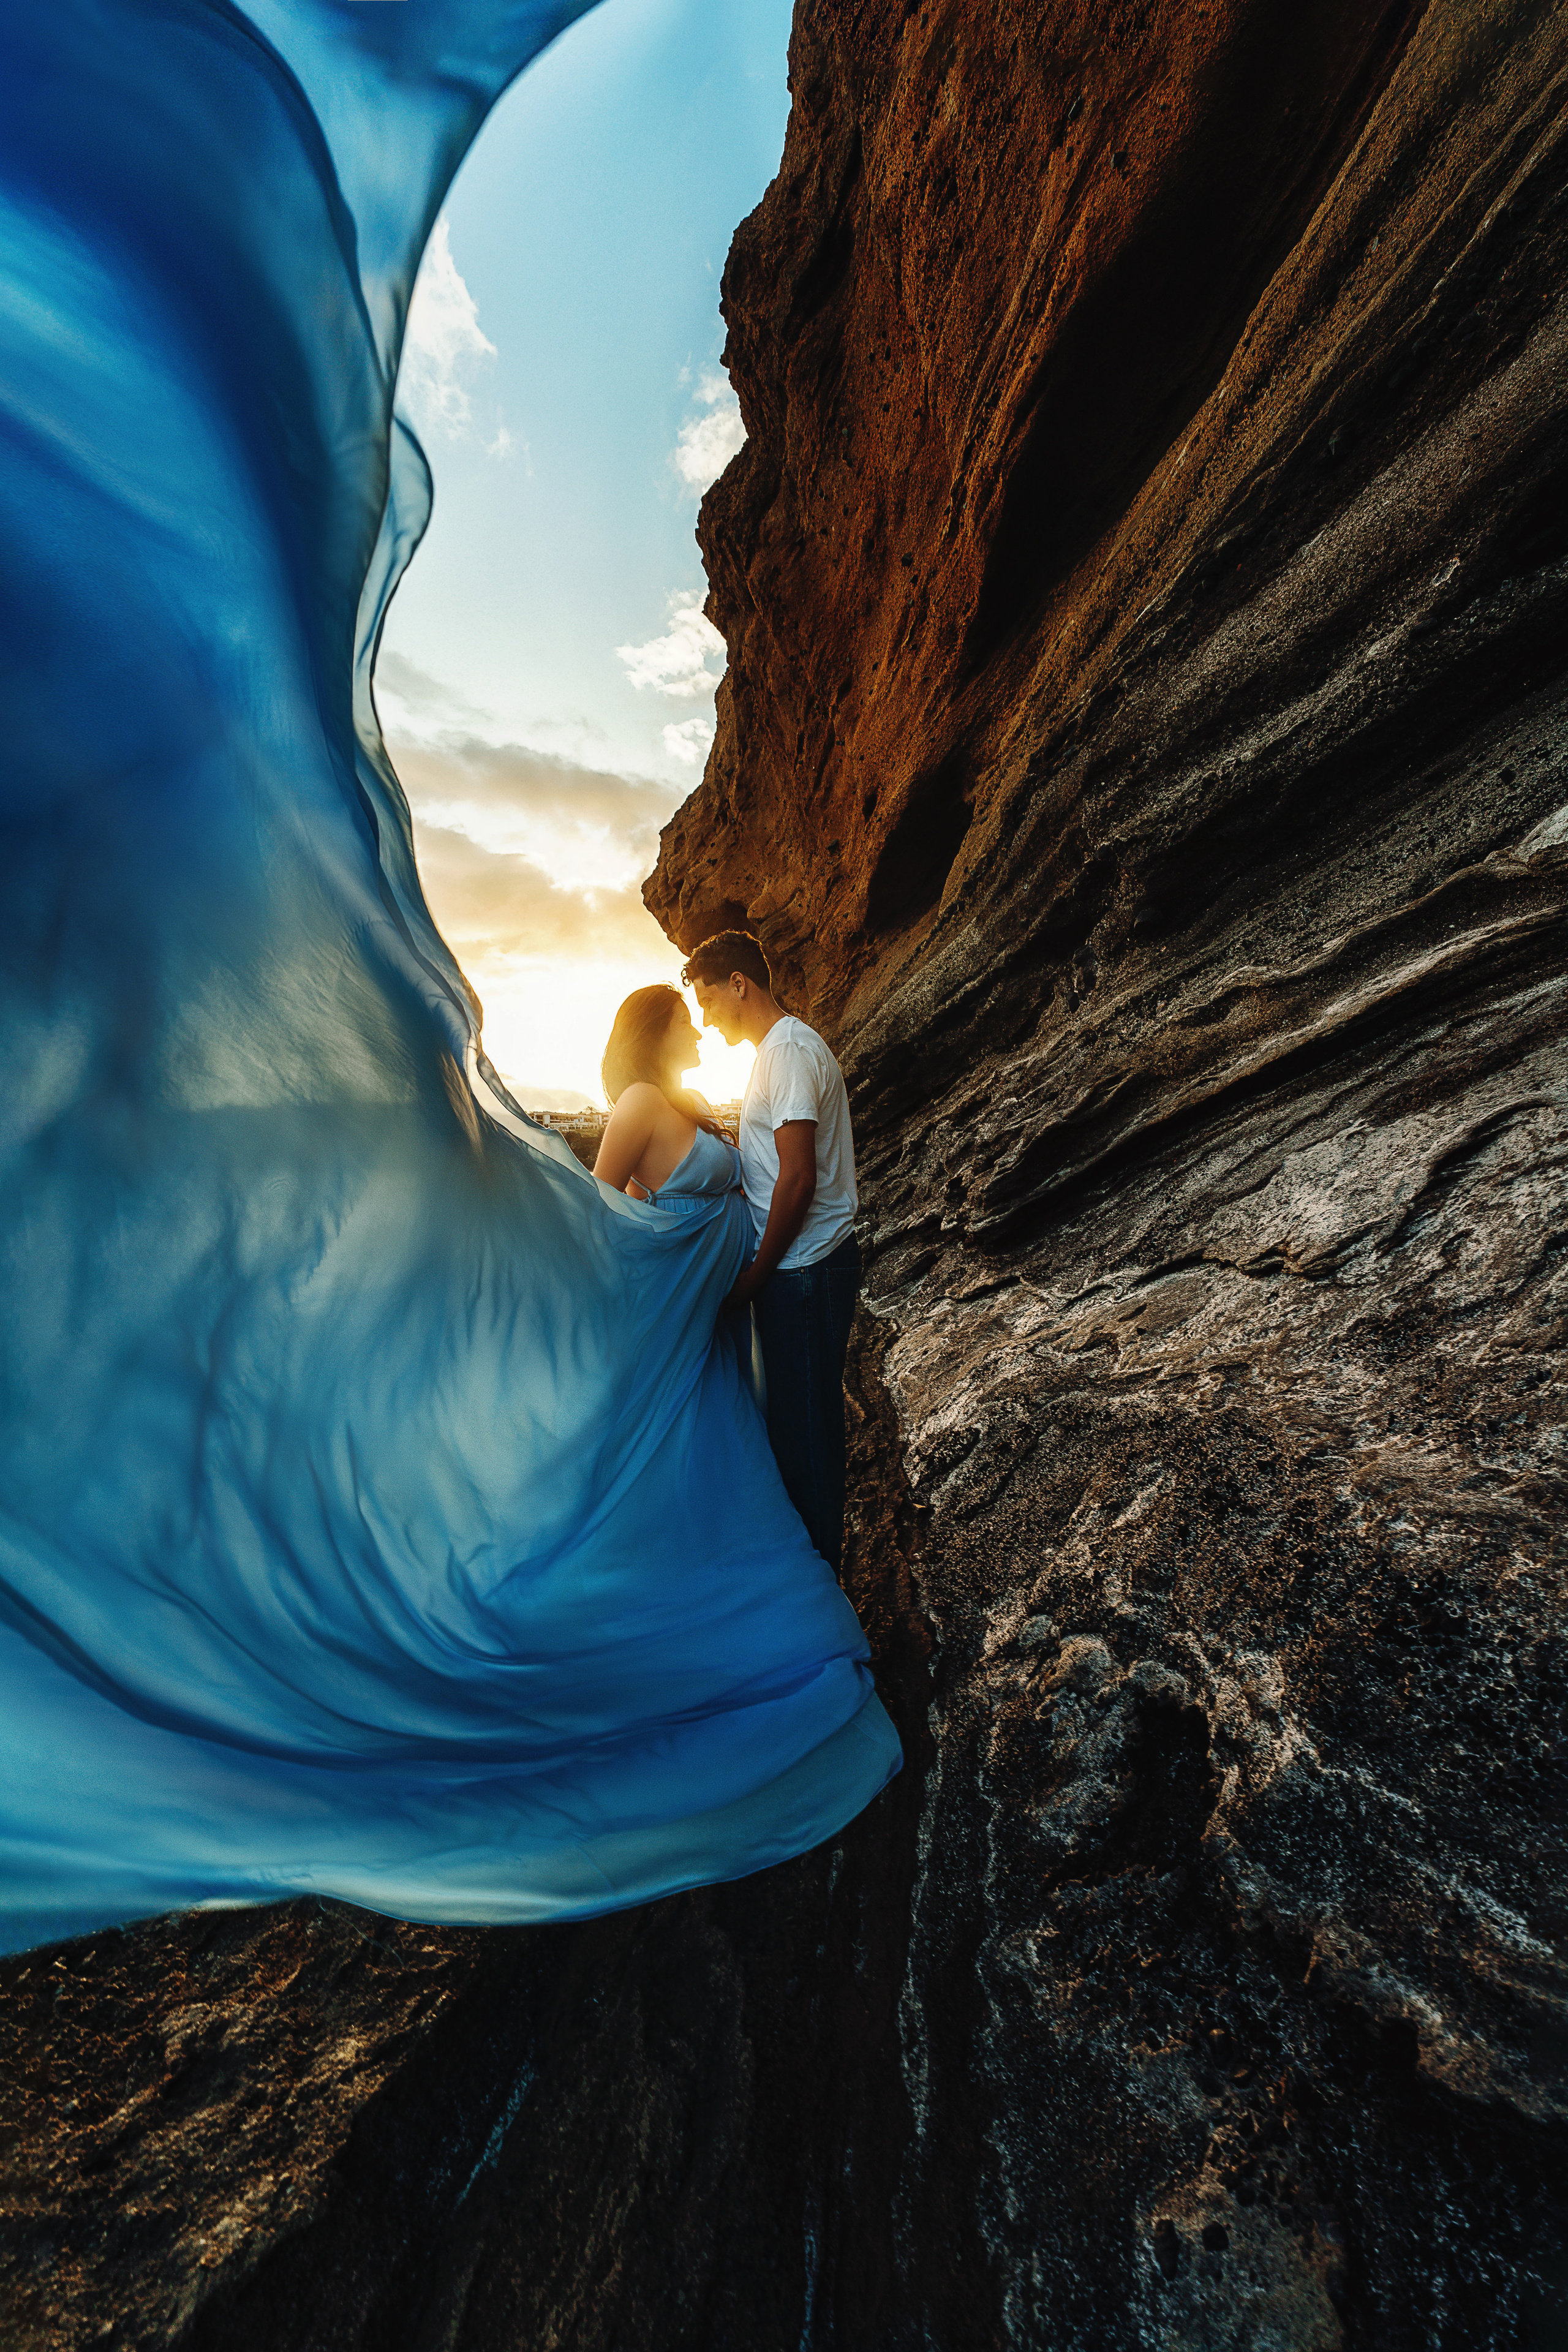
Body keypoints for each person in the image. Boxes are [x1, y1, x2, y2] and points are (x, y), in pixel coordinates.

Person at [680, 932, 860, 1572]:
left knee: (804, 1436)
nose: (705, 1019)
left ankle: (821, 1600)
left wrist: (755, 1276)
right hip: (803, 1268)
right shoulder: (778, 1050)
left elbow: (797, 1178)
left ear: (738, 984)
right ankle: (816, 1585)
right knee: (797, 1428)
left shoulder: (785, 1051)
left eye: (707, 1002)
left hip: (803, 1271)